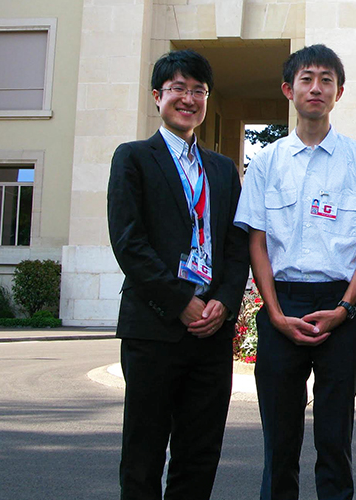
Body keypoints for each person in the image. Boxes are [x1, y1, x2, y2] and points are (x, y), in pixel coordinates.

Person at [235, 44, 356, 500]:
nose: (316, 88)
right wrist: (272, 313)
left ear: (339, 92)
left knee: (335, 438)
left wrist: (345, 308)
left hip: (341, 308)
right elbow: (257, 242)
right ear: (289, 90)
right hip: (281, 304)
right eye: (307, 78)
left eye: (326, 80)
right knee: (279, 442)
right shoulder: (267, 162)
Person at [107, 49, 250, 500]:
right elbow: (129, 243)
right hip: (154, 329)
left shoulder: (223, 169)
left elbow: (236, 245)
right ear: (157, 96)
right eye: (179, 89)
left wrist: (223, 303)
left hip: (211, 330)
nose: (188, 99)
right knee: (144, 453)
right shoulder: (132, 158)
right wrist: (180, 302)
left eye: (198, 91)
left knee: (200, 453)